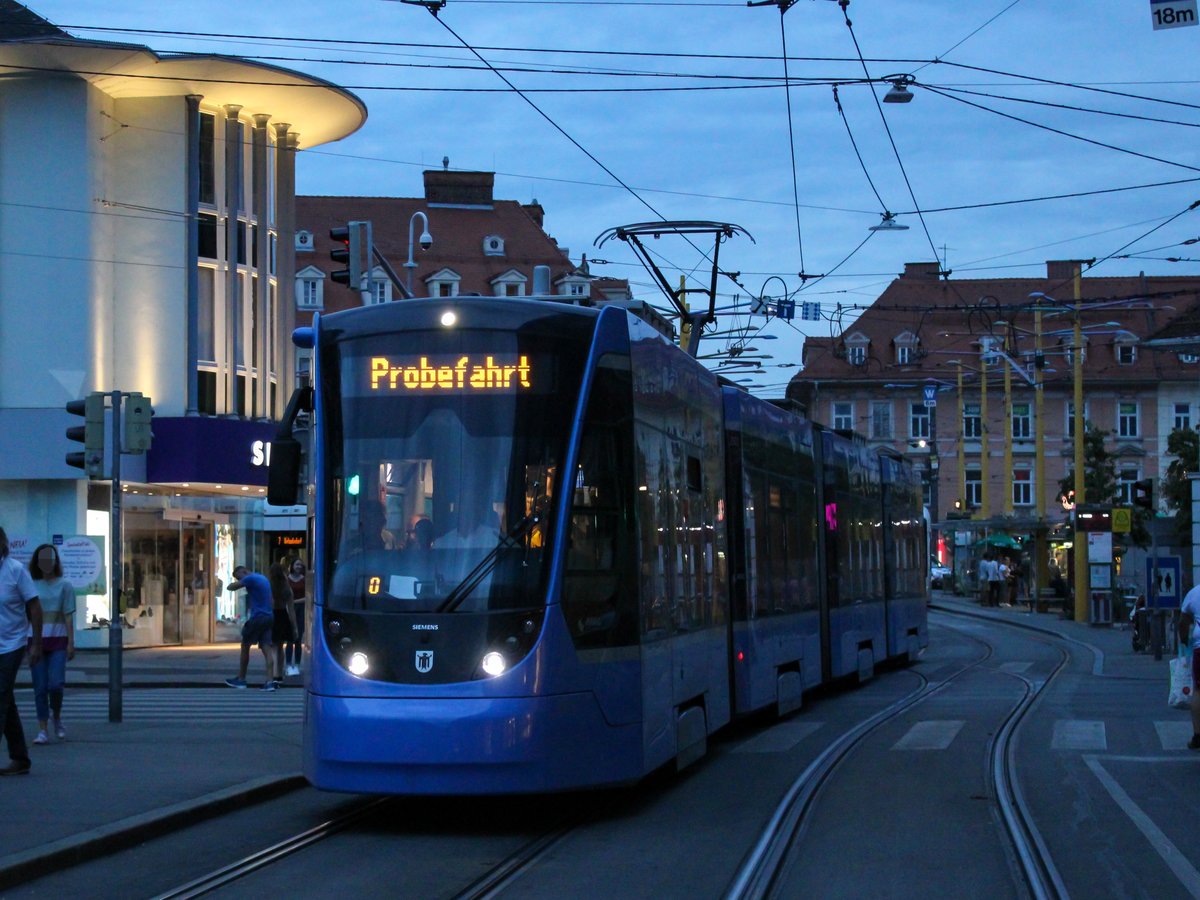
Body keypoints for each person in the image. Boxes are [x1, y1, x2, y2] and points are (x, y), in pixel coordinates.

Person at [0, 527, 41, 775]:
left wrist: (36, 642)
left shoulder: (15, 570)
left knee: (0, 693)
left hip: (12, 643)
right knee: (6, 700)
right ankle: (20, 757)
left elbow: (34, 607)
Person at [28, 544, 75, 744]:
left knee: (55, 684)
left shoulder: (65, 586)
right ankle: (43, 729)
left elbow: (68, 616)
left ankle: (56, 717)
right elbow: (25, 615)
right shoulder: (31, 584)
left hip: (57, 642)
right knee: (40, 687)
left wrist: (71, 643)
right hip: (35, 640)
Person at [224, 564, 277, 691]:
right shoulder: (263, 578)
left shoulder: (250, 578)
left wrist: (239, 582)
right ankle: (270, 681)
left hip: (258, 617)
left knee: (245, 645)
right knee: (266, 648)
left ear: (244, 571)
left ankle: (241, 679)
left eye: (238, 577)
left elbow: (230, 588)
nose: (239, 580)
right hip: (269, 616)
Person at [1177, 583, 1200, 750]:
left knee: (1198, 691)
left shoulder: (1194, 593)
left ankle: (1198, 735)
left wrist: (1184, 642)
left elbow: (1182, 622)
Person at [269, 562, 298, 685]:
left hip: (271, 616)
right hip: (282, 616)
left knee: (272, 648)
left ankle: (274, 674)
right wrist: (295, 627)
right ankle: (279, 674)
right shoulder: (287, 588)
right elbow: (291, 610)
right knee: (280, 647)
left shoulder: (268, 586)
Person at [284, 558, 307, 676]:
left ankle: (297, 665)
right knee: (289, 639)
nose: (299, 567)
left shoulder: (305, 580)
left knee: (298, 639)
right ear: (292, 566)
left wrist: (294, 601)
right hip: (289, 610)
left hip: (300, 611)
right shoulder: (287, 579)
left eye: (300, 565)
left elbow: (308, 597)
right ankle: (288, 664)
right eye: (297, 564)